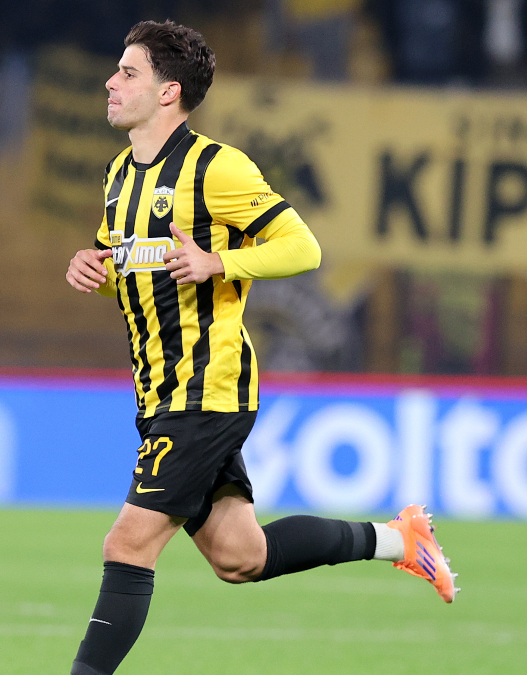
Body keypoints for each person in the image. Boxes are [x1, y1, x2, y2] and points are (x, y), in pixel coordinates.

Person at [63, 20, 458, 675]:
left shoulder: (215, 167)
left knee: (127, 545)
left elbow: (303, 247)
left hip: (206, 388)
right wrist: (94, 270)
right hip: (159, 390)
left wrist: (220, 262)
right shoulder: (119, 175)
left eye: (128, 73)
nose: (111, 82)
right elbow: (128, 269)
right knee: (239, 557)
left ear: (169, 92)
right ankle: (400, 539)